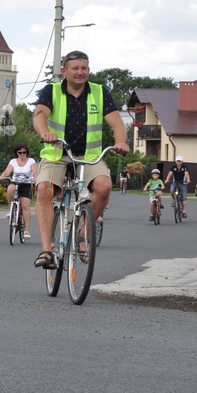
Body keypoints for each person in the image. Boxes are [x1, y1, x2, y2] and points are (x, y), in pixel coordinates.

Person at [32, 51, 129, 269]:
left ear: (89, 70)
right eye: (75, 68)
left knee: (104, 187)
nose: (80, 72)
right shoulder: (52, 91)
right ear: (64, 71)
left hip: (89, 156)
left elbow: (116, 123)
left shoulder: (100, 92)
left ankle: (83, 231)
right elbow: (39, 114)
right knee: (44, 189)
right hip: (58, 153)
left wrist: (121, 142)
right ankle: (47, 251)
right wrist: (45, 133)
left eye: (84, 68)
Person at [0, 144, 37, 240]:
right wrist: (2, 176)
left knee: (25, 205)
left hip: (27, 184)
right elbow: (7, 171)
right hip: (16, 182)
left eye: (24, 152)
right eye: (20, 152)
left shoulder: (31, 161)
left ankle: (26, 230)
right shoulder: (13, 161)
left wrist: (36, 178)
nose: (22, 154)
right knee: (10, 188)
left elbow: (35, 172)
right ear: (17, 153)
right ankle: (12, 209)